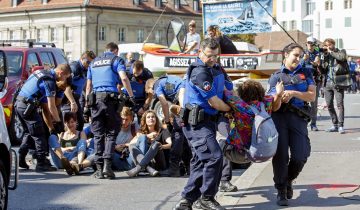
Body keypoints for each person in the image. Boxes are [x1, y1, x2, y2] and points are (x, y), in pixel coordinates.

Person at [173, 38, 230, 210]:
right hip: (196, 124)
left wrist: (239, 103)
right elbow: (214, 102)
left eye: (215, 55)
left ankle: (187, 200)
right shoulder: (200, 73)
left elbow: (228, 90)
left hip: (209, 122)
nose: (212, 59)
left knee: (200, 161)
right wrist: (233, 110)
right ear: (200, 52)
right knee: (214, 157)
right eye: (209, 55)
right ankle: (206, 198)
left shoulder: (218, 69)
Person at [267, 43, 315, 206]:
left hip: (298, 118)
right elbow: (272, 106)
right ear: (285, 55)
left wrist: (294, 93)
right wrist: (279, 96)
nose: (298, 58)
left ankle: (288, 180)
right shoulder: (276, 76)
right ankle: (281, 190)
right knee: (281, 155)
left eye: (300, 56)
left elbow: (311, 96)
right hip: (279, 118)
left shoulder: (306, 72)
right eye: (295, 55)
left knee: (301, 155)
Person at [86, 42, 134, 179]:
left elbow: (88, 86)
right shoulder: (116, 60)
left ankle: (99, 169)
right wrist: (131, 96)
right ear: (116, 51)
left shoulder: (94, 62)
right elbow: (124, 78)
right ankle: (107, 166)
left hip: (95, 101)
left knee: (98, 135)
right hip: (110, 101)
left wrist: (85, 106)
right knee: (111, 133)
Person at [16, 64, 72, 172]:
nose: (66, 79)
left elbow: (46, 108)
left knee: (29, 133)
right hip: (27, 106)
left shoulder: (41, 73)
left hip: (20, 104)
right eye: (66, 77)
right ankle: (41, 163)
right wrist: (58, 122)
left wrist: (52, 125)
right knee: (39, 134)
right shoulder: (49, 81)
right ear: (60, 73)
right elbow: (51, 106)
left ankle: (21, 159)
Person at [146, 75, 191, 177]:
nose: (152, 94)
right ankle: (189, 168)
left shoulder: (157, 85)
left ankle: (174, 169)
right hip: (188, 98)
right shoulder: (166, 81)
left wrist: (166, 121)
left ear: (150, 87)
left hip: (183, 101)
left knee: (177, 135)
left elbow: (164, 104)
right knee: (183, 136)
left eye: (149, 92)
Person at [126, 110, 172, 177]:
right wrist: (147, 136)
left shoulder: (163, 131)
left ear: (156, 119)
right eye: (148, 117)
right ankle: (147, 168)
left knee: (156, 144)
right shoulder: (141, 132)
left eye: (153, 117)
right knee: (132, 146)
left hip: (159, 162)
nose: (151, 118)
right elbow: (131, 143)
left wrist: (162, 146)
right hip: (148, 162)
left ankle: (139, 168)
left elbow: (171, 144)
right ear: (145, 120)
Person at [62, 50, 96, 131]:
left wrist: (88, 98)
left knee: (80, 122)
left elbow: (84, 85)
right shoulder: (75, 67)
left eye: (91, 63)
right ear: (81, 59)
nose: (89, 65)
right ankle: (66, 141)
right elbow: (66, 86)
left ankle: (78, 140)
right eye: (87, 62)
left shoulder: (85, 69)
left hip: (76, 97)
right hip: (68, 98)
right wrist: (72, 102)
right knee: (69, 122)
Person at [320, 38, 348, 134]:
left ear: (333, 44)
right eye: (326, 45)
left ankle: (341, 126)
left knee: (340, 104)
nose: (327, 47)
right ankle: (335, 124)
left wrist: (331, 52)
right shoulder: (326, 54)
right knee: (329, 105)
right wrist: (320, 62)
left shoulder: (341, 51)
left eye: (329, 45)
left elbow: (342, 58)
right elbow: (323, 70)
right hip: (327, 83)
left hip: (338, 82)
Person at [302, 37, 321, 131]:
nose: (309, 44)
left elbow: (316, 65)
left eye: (311, 43)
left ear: (314, 44)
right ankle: (303, 122)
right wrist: (303, 60)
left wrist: (311, 61)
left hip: (313, 80)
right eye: (308, 43)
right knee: (302, 102)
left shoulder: (317, 54)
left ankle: (313, 124)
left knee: (314, 103)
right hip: (303, 81)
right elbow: (298, 66)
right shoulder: (302, 53)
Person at [112, 107, 138, 171]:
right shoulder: (113, 126)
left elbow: (139, 137)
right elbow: (105, 142)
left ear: (131, 119)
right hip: (116, 154)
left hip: (128, 154)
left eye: (126, 119)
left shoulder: (134, 126)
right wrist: (114, 147)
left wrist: (126, 144)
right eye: (122, 119)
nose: (124, 122)